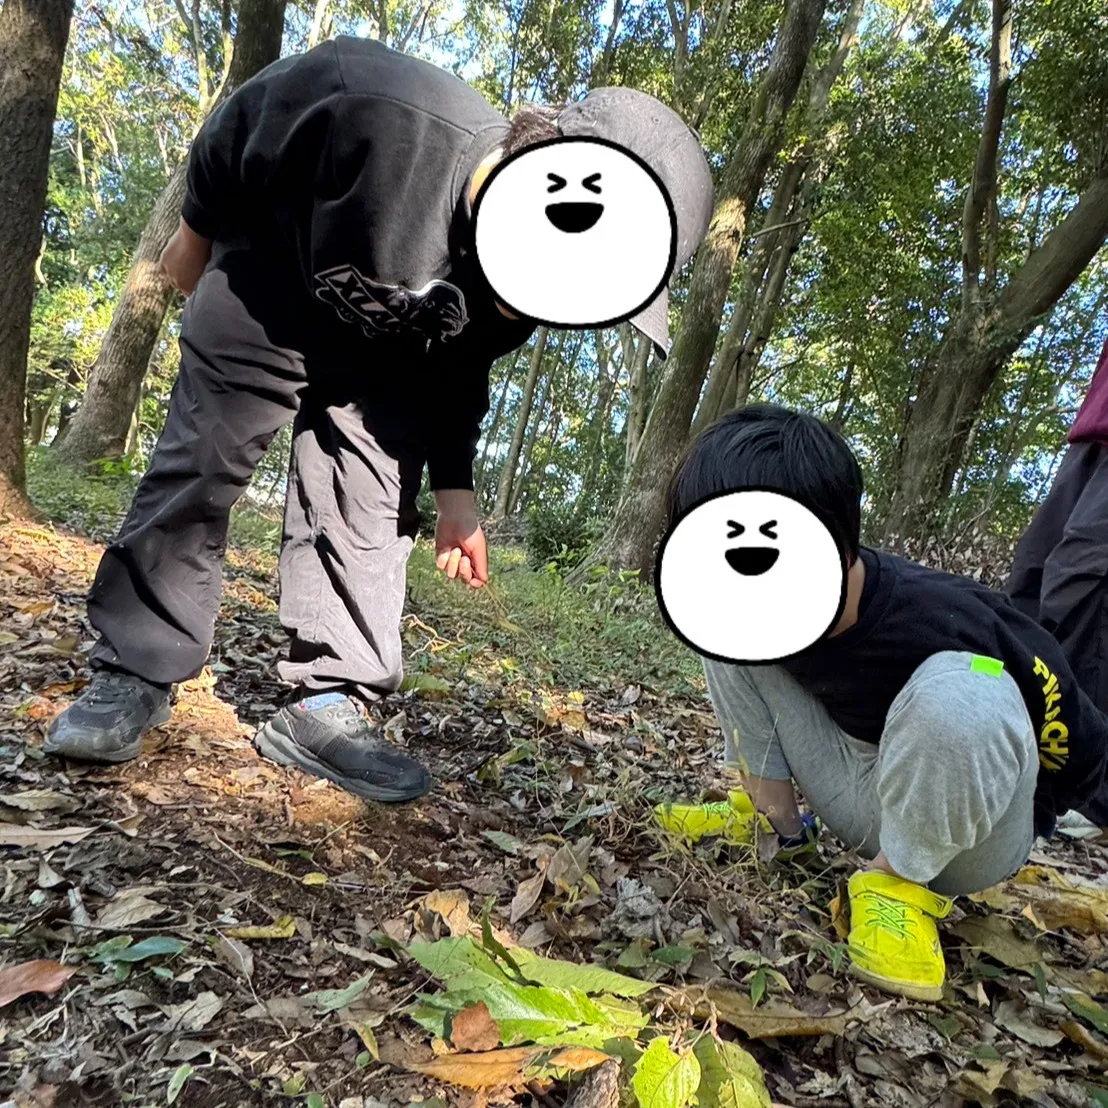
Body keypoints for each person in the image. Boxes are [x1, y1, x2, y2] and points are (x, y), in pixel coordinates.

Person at [43, 36, 715, 803]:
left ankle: (328, 702)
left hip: (386, 353)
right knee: (202, 460)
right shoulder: (386, 110)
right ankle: (132, 670)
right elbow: (249, 116)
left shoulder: (535, 292)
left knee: (370, 497)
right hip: (272, 276)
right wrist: (193, 234)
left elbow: (461, 367)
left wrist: (456, 490)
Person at [654, 404, 1108, 1002]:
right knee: (724, 636)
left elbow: (1074, 729)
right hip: (857, 788)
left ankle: (895, 891)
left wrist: (1045, 811)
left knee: (968, 690)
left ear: (839, 547)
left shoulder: (948, 616)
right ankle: (775, 826)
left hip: (962, 838)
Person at [1006, 337, 1108, 825]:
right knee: (1029, 582)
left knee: (1085, 589)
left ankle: (1092, 792)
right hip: (1092, 431)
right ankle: (1019, 759)